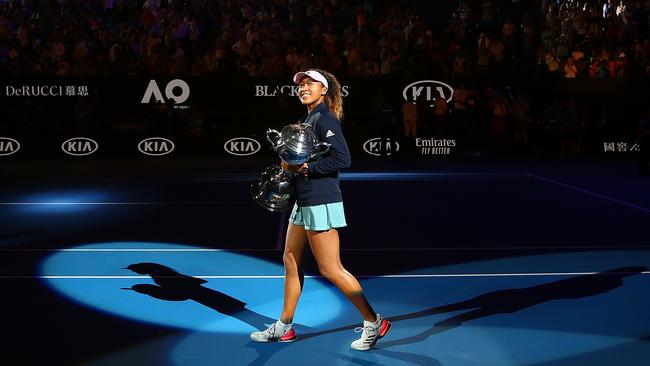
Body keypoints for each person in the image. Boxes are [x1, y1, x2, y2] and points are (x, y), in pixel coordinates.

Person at [250, 69, 392, 350]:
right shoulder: (308, 119)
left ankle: (374, 321)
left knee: (331, 269)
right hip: (303, 199)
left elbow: (343, 158)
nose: (303, 88)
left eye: (310, 84)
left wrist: (306, 168)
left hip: (320, 200)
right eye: (301, 85)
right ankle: (285, 326)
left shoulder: (325, 119)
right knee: (290, 258)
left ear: (323, 90)